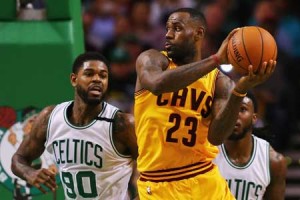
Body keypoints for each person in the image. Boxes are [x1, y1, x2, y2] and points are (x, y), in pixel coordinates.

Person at [134, 7, 276, 199]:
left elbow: (217, 137)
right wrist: (216, 59)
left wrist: (240, 90)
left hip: (204, 178)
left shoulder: (220, 82)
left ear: (198, 33)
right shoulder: (152, 59)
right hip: (159, 183)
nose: (168, 34)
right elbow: (157, 84)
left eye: (177, 28)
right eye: (167, 28)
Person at [11, 52, 139, 200]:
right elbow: (19, 158)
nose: (97, 79)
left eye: (103, 76)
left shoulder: (122, 124)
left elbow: (153, 169)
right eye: (89, 74)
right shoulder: (50, 117)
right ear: (74, 79)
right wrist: (29, 173)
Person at [213, 93, 287, 200]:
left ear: (254, 118)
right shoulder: (207, 152)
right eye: (228, 109)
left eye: (242, 109)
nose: (233, 114)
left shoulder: (273, 161)